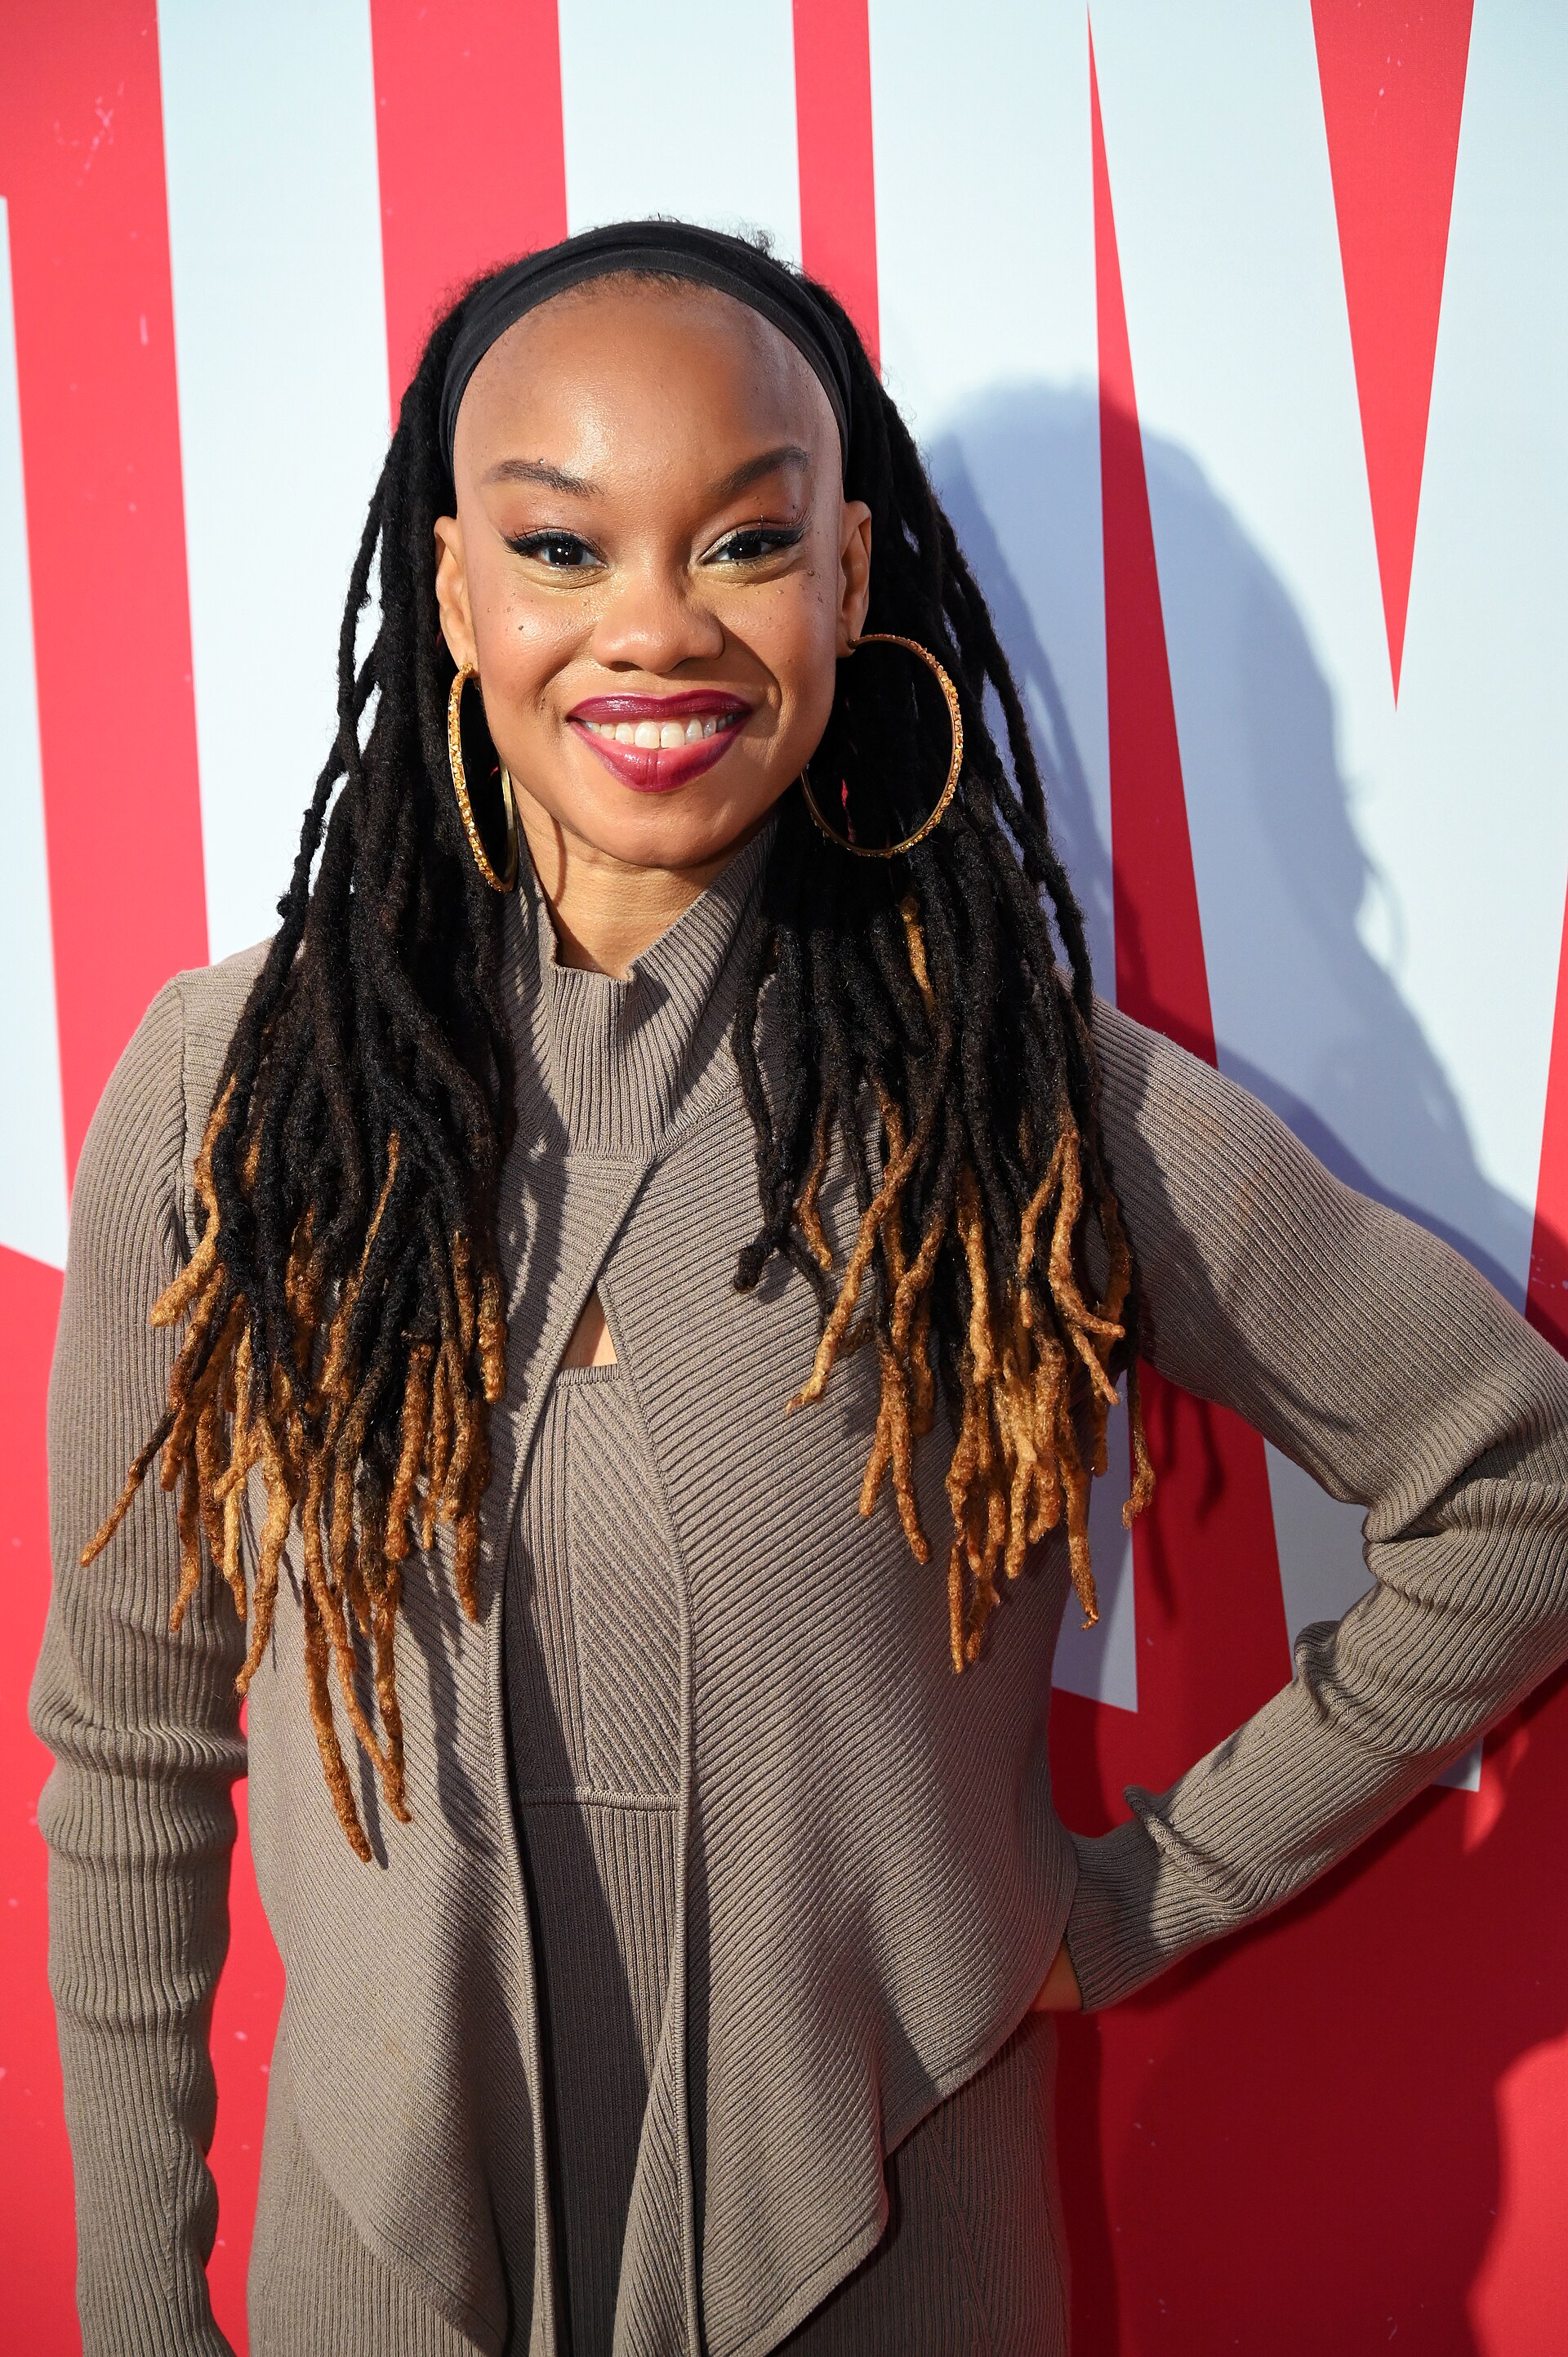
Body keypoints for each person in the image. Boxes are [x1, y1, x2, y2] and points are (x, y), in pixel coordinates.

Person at [31, 220, 1568, 2357]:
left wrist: (1136, 1904)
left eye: (744, 541)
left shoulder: (1018, 1101)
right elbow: (123, 1749)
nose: (653, 626)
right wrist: (133, 2313)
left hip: (899, 2274)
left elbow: (1519, 1491)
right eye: (562, 550)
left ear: (854, 576)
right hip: (366, 2290)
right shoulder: (229, 1101)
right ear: (450, 585)